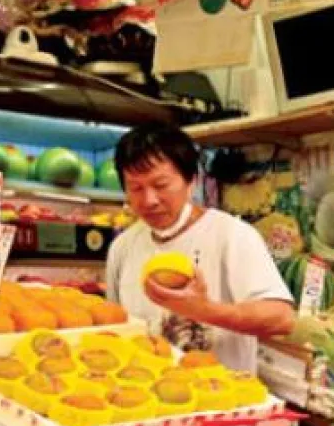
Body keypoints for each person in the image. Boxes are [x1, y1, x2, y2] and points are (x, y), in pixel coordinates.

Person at [105, 123, 295, 372]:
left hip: (223, 402)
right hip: (148, 401)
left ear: (191, 181)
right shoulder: (123, 247)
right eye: (136, 188)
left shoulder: (232, 236)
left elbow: (281, 318)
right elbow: (116, 326)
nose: (149, 200)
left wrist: (206, 311)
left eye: (161, 185)